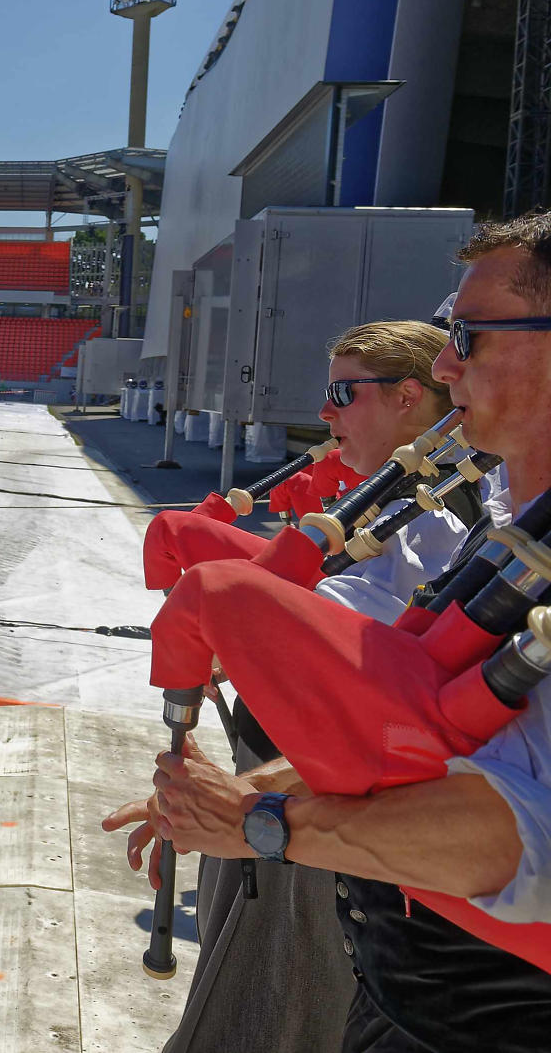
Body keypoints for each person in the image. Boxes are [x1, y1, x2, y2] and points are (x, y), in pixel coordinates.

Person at [119, 215, 551, 1053]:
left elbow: (522, 834)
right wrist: (243, 796)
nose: (447, 366)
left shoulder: (471, 522)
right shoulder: (507, 525)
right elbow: (439, 732)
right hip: (401, 985)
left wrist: (264, 823)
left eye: (468, 336)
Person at [105, 320, 473, 1053]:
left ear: (408, 397)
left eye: (345, 392)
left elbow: (405, 717)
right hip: (280, 790)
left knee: (276, 1005)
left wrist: (257, 807)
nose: (326, 411)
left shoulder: (449, 520)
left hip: (334, 822)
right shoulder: (401, 501)